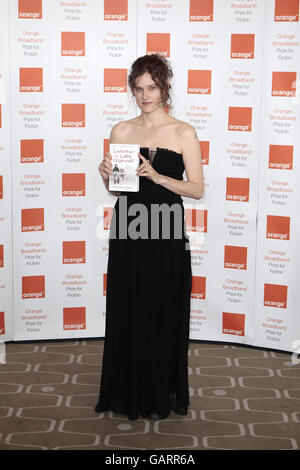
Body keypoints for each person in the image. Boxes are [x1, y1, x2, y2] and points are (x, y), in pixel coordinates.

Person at [95, 53, 204, 421]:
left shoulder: (183, 132)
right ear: (132, 90)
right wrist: (105, 175)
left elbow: (196, 189)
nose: (144, 96)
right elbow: (116, 190)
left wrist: (157, 177)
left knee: (162, 310)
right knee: (129, 307)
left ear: (164, 87)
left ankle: (159, 393)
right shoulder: (121, 132)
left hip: (166, 230)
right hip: (128, 228)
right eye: (138, 88)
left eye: (152, 88)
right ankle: (126, 390)